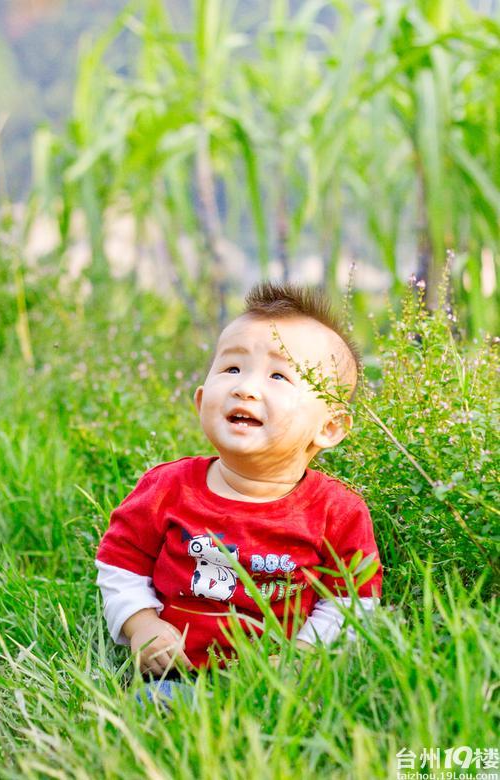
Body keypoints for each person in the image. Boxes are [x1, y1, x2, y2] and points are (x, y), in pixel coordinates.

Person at [95, 281, 382, 694]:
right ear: (200, 401)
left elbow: (352, 601)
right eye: (231, 369)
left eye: (279, 375)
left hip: (278, 682)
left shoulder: (337, 511)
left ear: (329, 426)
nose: (244, 387)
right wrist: (141, 624)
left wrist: (303, 654)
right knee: (153, 718)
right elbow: (121, 563)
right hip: (175, 673)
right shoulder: (167, 488)